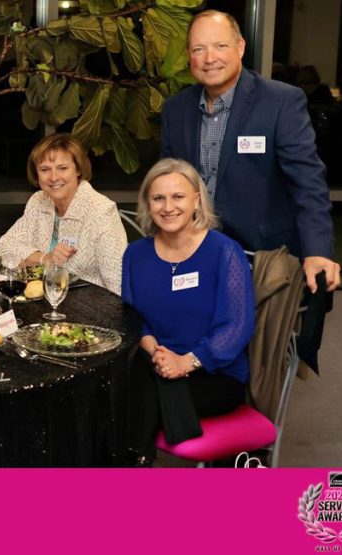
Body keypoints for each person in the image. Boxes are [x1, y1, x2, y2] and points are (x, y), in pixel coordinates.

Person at [160, 10, 340, 293]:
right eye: (199, 49)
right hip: (194, 253)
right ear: (188, 55)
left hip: (261, 259)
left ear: (240, 47)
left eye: (220, 46)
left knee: (259, 338)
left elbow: (308, 182)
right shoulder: (176, 109)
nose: (210, 58)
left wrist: (317, 250)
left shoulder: (280, 102)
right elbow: (166, 183)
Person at [122, 158, 254, 466]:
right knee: (127, 383)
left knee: (131, 397)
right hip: (154, 362)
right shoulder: (135, 254)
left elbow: (237, 326)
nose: (168, 207)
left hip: (213, 372)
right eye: (158, 198)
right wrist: (151, 346)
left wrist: (186, 362)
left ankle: (130, 465)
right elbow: (130, 316)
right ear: (148, 204)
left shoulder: (224, 251)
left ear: (196, 199)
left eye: (178, 196)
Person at [0, 133, 126, 295]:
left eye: (62, 168)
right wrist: (45, 258)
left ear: (78, 170)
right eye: (45, 169)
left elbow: (118, 284)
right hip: (41, 305)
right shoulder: (39, 201)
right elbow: (2, 248)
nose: (54, 177)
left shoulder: (101, 211)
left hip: (88, 309)